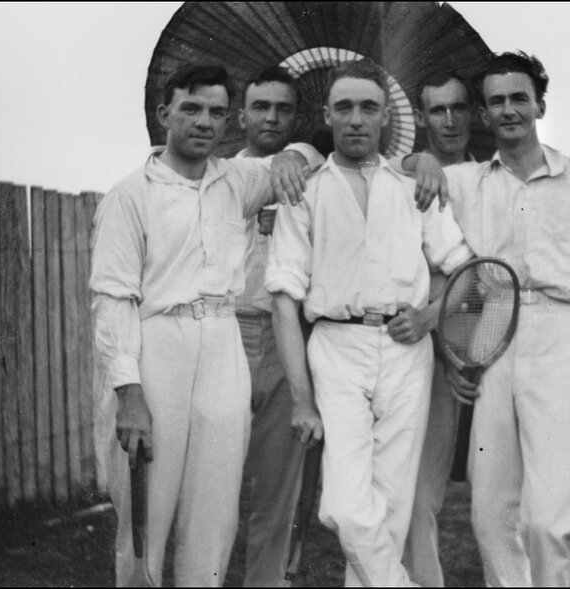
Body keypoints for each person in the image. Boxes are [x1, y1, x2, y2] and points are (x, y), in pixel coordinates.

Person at [90, 64, 321, 587]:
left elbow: (305, 159)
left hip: (222, 342)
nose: (204, 122)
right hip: (158, 344)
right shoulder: (130, 194)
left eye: (217, 112)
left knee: (214, 512)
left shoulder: (235, 181)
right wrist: (129, 396)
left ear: (228, 120)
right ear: (164, 113)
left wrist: (291, 154)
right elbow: (112, 299)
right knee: (147, 511)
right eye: (191, 109)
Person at [407, 51, 570, 587]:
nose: (509, 110)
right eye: (497, 102)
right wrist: (422, 161)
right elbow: (401, 176)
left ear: (540, 106)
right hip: (495, 339)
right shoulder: (466, 182)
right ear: (484, 115)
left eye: (519, 99)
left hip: (563, 339)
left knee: (549, 519)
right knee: (490, 514)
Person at [265, 59, 474, 587]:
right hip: (336, 347)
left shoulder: (414, 185)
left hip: (407, 351)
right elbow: (285, 300)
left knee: (392, 508)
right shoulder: (304, 190)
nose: (356, 119)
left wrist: (429, 317)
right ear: (327, 115)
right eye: (344, 108)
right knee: (345, 505)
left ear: (385, 117)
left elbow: (464, 270)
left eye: (368, 108)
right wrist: (302, 400)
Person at [232, 65, 310, 588]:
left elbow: (307, 155)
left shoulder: (311, 170)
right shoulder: (220, 174)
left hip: (286, 335)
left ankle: (265, 581)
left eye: (283, 109)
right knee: (215, 479)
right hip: (228, 331)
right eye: (260, 107)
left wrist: (293, 156)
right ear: (241, 115)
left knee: (278, 484)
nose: (271, 117)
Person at [402, 71, 478, 588]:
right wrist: (416, 162)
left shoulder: (491, 176)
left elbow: (491, 271)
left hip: (487, 343)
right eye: (436, 110)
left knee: (500, 496)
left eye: (458, 108)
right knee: (416, 493)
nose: (449, 121)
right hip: (426, 351)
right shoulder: (405, 176)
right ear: (420, 116)